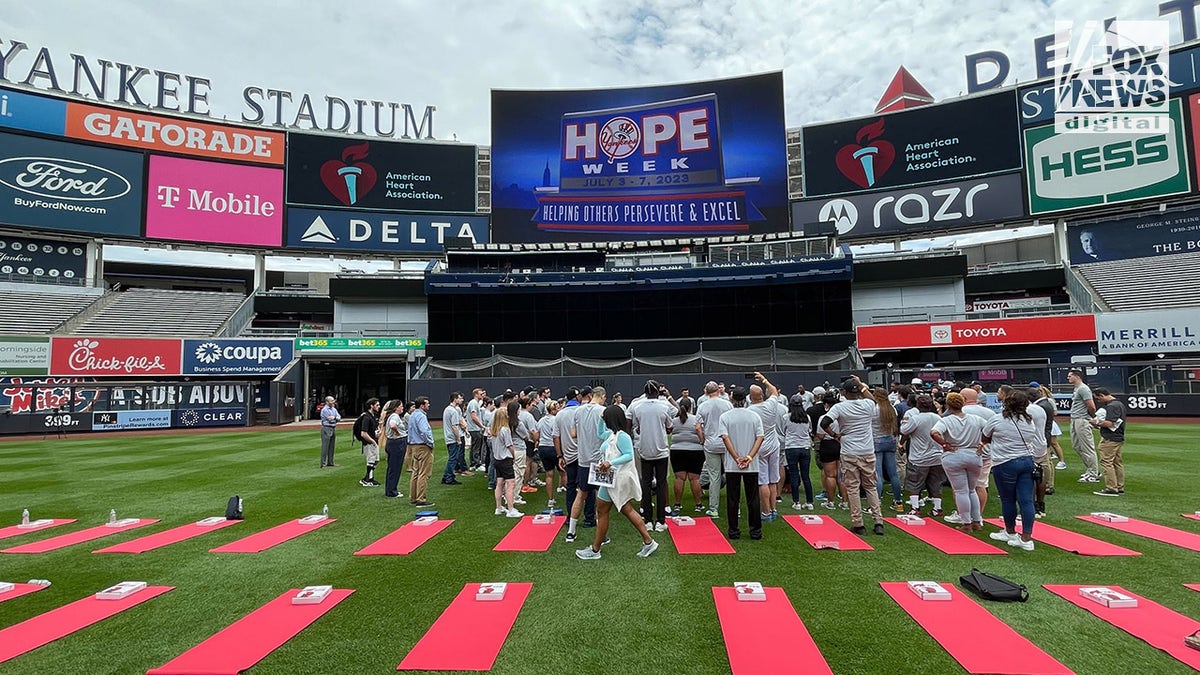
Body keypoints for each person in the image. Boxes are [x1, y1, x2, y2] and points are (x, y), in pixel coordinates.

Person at [576, 405, 659, 560]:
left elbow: (628, 455)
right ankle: (648, 541)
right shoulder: (612, 434)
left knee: (607, 511)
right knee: (619, 510)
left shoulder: (622, 437)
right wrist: (601, 418)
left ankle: (596, 550)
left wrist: (610, 462)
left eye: (606, 418)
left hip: (616, 479)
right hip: (610, 479)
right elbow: (599, 433)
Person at [821, 377, 885, 536]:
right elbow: (872, 398)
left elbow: (824, 423)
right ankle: (878, 522)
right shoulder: (868, 404)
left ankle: (859, 524)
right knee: (871, 486)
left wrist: (835, 435)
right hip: (867, 450)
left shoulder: (839, 407)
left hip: (849, 451)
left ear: (845, 392)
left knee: (853, 488)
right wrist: (862, 385)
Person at [983, 390, 1039, 551]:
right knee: (1026, 500)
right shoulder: (1029, 420)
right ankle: (1027, 538)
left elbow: (985, 437)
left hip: (1005, 462)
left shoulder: (998, 419)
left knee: (1008, 499)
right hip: (1027, 460)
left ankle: (1010, 531)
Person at [931, 393, 986, 533]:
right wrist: (982, 444)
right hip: (974, 454)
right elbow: (989, 432)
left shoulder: (946, 420)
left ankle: (966, 523)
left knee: (961, 490)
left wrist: (945, 445)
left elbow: (934, 433)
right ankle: (976, 521)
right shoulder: (977, 419)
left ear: (948, 405)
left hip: (954, 455)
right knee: (972, 490)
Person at [719, 388, 764, 540]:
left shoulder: (725, 417)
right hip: (750, 464)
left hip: (733, 465)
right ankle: (755, 531)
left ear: (731, 399)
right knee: (753, 499)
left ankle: (733, 531)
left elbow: (725, 438)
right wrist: (749, 457)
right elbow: (760, 438)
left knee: (733, 499)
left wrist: (736, 457)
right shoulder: (754, 416)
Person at [631, 380, 675, 531]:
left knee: (646, 484)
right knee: (662, 484)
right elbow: (670, 427)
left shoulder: (637, 406)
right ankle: (661, 521)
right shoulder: (664, 406)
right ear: (657, 392)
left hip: (645, 450)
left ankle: (648, 520)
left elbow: (636, 428)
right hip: (661, 450)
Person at [566, 387, 605, 541]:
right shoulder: (603, 411)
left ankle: (571, 531)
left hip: (583, 459)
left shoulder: (578, 411)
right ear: (601, 396)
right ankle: (602, 533)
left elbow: (573, 434)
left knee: (581, 494)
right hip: (600, 461)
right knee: (601, 498)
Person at [748, 373, 786, 523]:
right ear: (763, 395)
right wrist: (764, 380)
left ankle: (766, 511)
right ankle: (773, 509)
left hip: (759, 447)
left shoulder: (750, 411)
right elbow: (774, 391)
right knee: (772, 480)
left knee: (763, 481)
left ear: (750, 398)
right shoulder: (771, 404)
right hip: (773, 444)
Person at [899, 395, 945, 517]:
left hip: (919, 457)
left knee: (914, 482)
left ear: (918, 405)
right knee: (936, 483)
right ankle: (937, 508)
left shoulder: (915, 419)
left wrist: (901, 444)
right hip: (937, 456)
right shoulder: (937, 417)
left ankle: (915, 508)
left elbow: (904, 431)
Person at [697, 381, 733, 518]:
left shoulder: (703, 405)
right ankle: (735, 508)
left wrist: (703, 440)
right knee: (731, 475)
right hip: (726, 443)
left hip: (711, 444)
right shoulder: (727, 404)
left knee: (714, 477)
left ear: (706, 391)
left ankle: (714, 508)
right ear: (718, 390)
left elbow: (698, 427)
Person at [810, 391, 846, 509]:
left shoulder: (823, 418)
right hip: (840, 444)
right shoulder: (842, 417)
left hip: (828, 445)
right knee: (841, 475)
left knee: (830, 475)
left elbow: (820, 435)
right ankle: (844, 502)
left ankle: (830, 501)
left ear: (826, 405)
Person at [670, 397, 706, 514]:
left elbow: (669, 430)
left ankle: (677, 504)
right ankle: (698, 504)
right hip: (695, 451)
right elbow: (701, 432)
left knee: (679, 478)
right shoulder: (696, 419)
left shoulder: (674, 420)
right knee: (694, 478)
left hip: (677, 451)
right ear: (691, 407)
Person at [871, 387, 903, 512]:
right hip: (890, 440)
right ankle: (898, 502)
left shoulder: (874, 409)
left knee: (878, 474)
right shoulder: (892, 409)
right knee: (893, 473)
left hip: (877, 441)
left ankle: (876, 502)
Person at [1091, 387, 1127, 497]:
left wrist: (1095, 422)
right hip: (1117, 437)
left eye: (1098, 399)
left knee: (1106, 462)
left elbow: (1109, 423)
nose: (1098, 401)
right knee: (1117, 463)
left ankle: (1111, 488)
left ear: (1102, 395)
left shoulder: (1112, 406)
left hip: (1110, 438)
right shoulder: (1119, 404)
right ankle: (1119, 486)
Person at [1067, 369, 1100, 483]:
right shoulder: (1077, 389)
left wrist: (1092, 418)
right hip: (1075, 419)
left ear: (1077, 376)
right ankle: (1091, 468)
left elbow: (1091, 406)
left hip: (1082, 419)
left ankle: (1093, 473)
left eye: (1070, 376)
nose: (1068, 378)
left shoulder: (1083, 388)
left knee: (1087, 447)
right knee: (1077, 446)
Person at [782, 393, 814, 510]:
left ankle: (796, 502)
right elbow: (810, 430)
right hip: (805, 447)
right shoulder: (807, 417)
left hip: (791, 447)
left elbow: (784, 430)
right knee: (806, 476)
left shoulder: (787, 417)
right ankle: (809, 502)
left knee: (794, 474)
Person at [490, 407, 523, 518]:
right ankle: (511, 509)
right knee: (511, 484)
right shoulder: (505, 430)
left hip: (497, 460)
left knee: (499, 483)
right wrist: (513, 456)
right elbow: (510, 446)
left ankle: (498, 507)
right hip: (505, 459)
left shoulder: (494, 430)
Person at [406, 396, 436, 508]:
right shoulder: (421, 416)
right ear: (422, 405)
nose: (429, 405)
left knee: (416, 473)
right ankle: (421, 499)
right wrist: (431, 443)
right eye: (427, 403)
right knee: (423, 473)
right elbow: (424, 431)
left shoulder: (413, 415)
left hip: (414, 446)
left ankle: (413, 497)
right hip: (422, 446)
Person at [536, 400, 561, 509]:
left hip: (543, 448)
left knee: (549, 474)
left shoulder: (541, 420)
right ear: (553, 409)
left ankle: (550, 499)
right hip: (553, 448)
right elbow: (557, 436)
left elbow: (537, 434)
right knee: (564, 472)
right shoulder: (556, 420)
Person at [441, 392, 468, 486]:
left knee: (452, 458)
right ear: (455, 399)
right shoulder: (453, 411)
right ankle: (449, 477)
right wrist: (458, 439)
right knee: (453, 459)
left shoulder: (447, 409)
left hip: (448, 437)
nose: (462, 400)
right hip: (452, 438)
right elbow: (454, 426)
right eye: (459, 398)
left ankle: (447, 476)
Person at [382, 400, 407, 499]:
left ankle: (391, 489)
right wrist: (397, 433)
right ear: (396, 407)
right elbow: (393, 425)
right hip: (396, 443)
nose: (402, 408)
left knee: (392, 468)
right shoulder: (394, 416)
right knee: (395, 468)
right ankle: (392, 491)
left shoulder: (391, 416)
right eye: (401, 406)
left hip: (393, 443)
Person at [355, 398, 381, 486]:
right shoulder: (367, 417)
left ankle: (368, 478)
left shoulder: (372, 416)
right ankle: (368, 479)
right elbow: (363, 433)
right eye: (377, 405)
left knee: (375, 460)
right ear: (371, 406)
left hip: (373, 441)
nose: (379, 407)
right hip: (369, 443)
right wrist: (373, 441)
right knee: (371, 460)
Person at [466, 388, 487, 472]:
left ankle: (473, 464)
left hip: (474, 428)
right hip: (475, 428)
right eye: (480, 394)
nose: (482, 395)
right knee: (477, 447)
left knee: (474, 446)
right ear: (476, 394)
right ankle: (477, 464)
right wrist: (481, 426)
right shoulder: (474, 403)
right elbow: (474, 416)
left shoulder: (475, 403)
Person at [319, 395, 341, 468]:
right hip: (326, 428)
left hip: (333, 428)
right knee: (325, 446)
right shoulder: (324, 410)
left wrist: (334, 418)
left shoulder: (334, 409)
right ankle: (323, 463)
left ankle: (330, 462)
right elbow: (329, 419)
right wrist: (335, 419)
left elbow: (339, 417)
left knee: (332, 446)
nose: (333, 402)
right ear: (327, 402)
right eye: (331, 401)